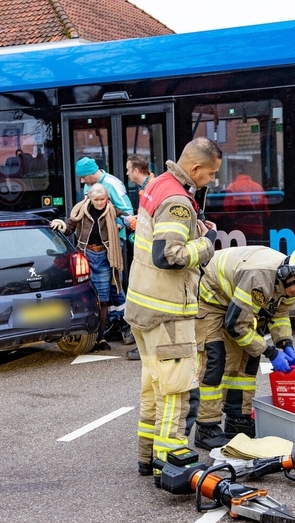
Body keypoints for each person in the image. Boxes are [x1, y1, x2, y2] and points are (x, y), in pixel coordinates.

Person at [124, 137, 222, 479]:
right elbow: (168, 255)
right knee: (176, 391)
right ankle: (171, 462)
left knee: (153, 386)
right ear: (195, 169)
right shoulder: (178, 200)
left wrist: (195, 229)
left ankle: (147, 457)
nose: (211, 181)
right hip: (167, 309)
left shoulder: (159, 186)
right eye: (210, 174)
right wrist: (206, 244)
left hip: (143, 306)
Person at [193, 246, 295, 450]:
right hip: (211, 298)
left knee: (248, 358)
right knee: (214, 360)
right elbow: (235, 325)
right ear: (289, 274)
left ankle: (238, 419)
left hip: (236, 300)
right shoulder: (259, 277)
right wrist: (272, 353)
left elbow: (280, 314)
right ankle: (206, 427)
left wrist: (285, 344)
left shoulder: (291, 282)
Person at [51, 183, 124, 351]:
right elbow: (69, 226)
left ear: (107, 199)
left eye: (102, 199)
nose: (99, 203)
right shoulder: (81, 210)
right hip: (86, 257)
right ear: (90, 199)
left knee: (103, 300)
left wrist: (125, 223)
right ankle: (87, 335)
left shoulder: (112, 210)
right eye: (96, 199)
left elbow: (126, 217)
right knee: (86, 298)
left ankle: (101, 338)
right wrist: (60, 224)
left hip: (105, 259)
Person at [123, 154, 155, 360]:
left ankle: (144, 346)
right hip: (147, 255)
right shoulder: (147, 187)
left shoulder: (151, 189)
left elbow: (150, 221)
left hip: (149, 257)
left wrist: (133, 223)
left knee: (144, 300)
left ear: (136, 171)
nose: (126, 173)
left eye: (128, 169)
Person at [222, 162, 270, 241]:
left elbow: (228, 210)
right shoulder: (258, 186)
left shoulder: (232, 187)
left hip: (240, 230)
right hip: (259, 229)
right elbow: (266, 211)